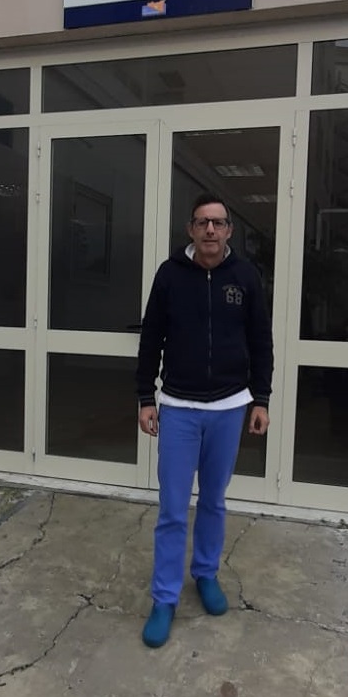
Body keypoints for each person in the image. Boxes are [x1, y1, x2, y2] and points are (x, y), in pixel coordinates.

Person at [136, 192, 273, 648]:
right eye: (202, 222)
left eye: (218, 222)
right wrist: (145, 396)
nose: (210, 230)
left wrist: (261, 399)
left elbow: (261, 340)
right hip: (178, 407)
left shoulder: (246, 277)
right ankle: (165, 598)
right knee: (173, 509)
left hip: (229, 407)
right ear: (191, 230)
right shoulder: (170, 275)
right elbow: (151, 337)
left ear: (229, 230)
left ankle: (206, 574)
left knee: (213, 501)